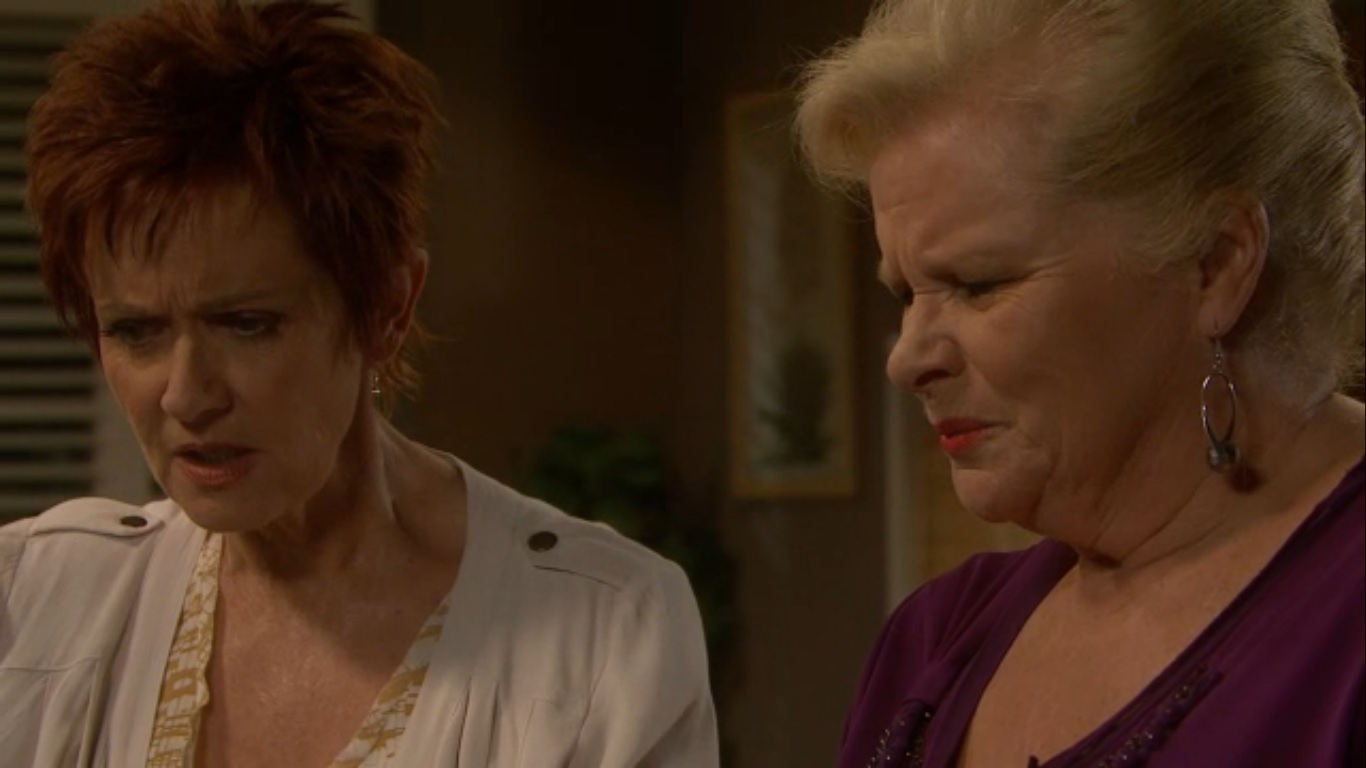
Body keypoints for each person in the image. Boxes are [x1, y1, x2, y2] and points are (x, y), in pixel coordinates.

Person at [0, 1, 719, 765]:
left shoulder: (603, 631)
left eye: (246, 324)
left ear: (387, 308)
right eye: (136, 331)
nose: (186, 395)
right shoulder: (35, 601)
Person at [796, 0, 1364, 765]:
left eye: (979, 283)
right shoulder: (934, 640)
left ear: (1216, 264)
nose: (907, 360)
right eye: (906, 292)